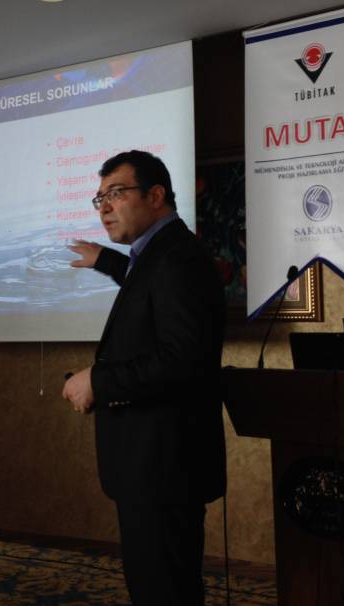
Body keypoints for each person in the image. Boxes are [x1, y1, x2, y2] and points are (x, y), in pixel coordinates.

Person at [62, 150, 226, 605]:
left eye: (116, 193)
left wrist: (98, 381)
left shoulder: (178, 259)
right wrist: (107, 261)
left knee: (162, 590)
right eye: (99, 198)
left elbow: (181, 359)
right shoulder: (160, 254)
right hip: (154, 466)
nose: (104, 207)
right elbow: (147, 288)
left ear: (155, 196)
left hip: (163, 467)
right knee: (158, 586)